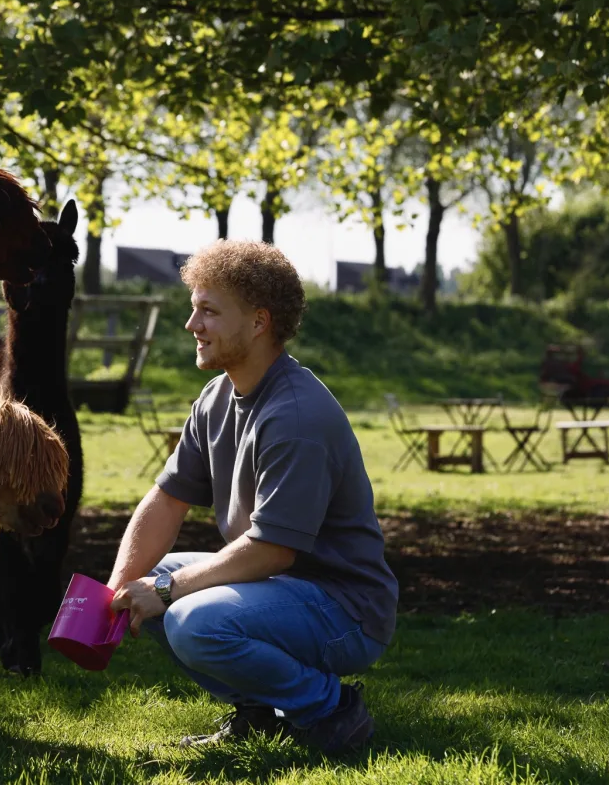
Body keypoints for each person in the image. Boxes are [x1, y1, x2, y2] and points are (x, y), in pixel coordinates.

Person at [108, 240, 398, 753]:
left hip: (343, 610)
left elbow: (272, 550)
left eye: (209, 311)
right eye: (193, 308)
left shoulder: (295, 416)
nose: (191, 326)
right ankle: (259, 712)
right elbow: (166, 500)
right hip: (281, 589)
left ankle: (330, 709)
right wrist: (116, 591)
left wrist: (170, 592)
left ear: (259, 322)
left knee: (191, 618)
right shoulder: (217, 397)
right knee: (149, 580)